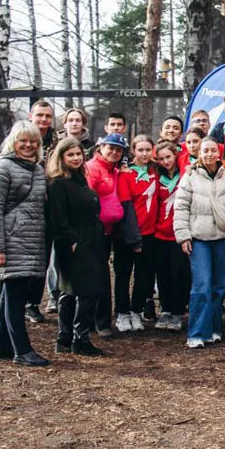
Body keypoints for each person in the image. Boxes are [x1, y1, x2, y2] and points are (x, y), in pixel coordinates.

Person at [0, 121, 48, 366]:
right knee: (14, 297)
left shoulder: (36, 168)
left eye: (33, 141)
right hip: (12, 240)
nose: (29, 145)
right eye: (23, 140)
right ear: (14, 141)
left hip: (31, 239)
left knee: (10, 296)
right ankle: (21, 349)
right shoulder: (2, 167)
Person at [174, 138, 225, 349]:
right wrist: (183, 235)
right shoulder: (190, 177)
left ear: (219, 153)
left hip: (222, 238)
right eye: (205, 151)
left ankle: (214, 328)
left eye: (213, 150)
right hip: (199, 238)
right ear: (199, 153)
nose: (210, 154)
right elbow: (181, 206)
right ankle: (196, 332)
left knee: (219, 287)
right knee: (201, 285)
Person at [46, 138, 108, 356]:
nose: (75, 158)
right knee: (82, 291)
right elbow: (58, 217)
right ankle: (78, 337)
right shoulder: (58, 183)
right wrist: (72, 241)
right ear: (61, 158)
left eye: (78, 154)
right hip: (74, 241)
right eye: (70, 154)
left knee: (74, 291)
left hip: (91, 239)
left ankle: (66, 338)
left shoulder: (80, 179)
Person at [86, 133, 129, 338]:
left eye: (118, 149)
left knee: (102, 275)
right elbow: (86, 199)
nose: (114, 152)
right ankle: (98, 322)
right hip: (94, 232)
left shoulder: (114, 170)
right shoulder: (93, 168)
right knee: (98, 276)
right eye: (110, 148)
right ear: (101, 147)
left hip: (108, 231)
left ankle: (100, 319)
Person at [113, 136, 159, 333]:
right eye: (140, 150)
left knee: (144, 275)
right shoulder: (126, 174)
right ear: (133, 151)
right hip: (127, 234)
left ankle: (136, 310)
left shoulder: (155, 171)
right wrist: (133, 237)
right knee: (123, 274)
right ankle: (122, 313)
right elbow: (126, 207)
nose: (144, 154)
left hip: (150, 234)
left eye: (148, 149)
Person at [153, 140, 190, 332]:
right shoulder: (156, 176)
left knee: (179, 274)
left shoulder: (185, 174)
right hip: (160, 233)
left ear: (175, 155)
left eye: (168, 157)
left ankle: (177, 312)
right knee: (163, 274)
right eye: (161, 159)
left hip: (179, 233)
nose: (165, 161)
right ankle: (165, 310)